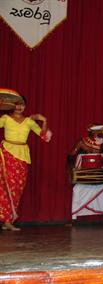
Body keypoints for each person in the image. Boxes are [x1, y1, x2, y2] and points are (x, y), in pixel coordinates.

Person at [0, 94, 51, 231]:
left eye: (22, 104)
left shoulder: (28, 121)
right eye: (16, 104)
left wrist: (44, 121)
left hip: (22, 156)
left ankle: (9, 218)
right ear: (11, 105)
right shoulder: (5, 118)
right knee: (6, 187)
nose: (19, 107)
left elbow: (44, 136)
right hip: (7, 154)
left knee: (17, 189)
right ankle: (6, 220)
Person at [67, 124, 103, 224]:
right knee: (77, 190)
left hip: (98, 174)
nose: (98, 134)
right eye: (96, 132)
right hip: (84, 174)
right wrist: (70, 172)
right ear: (91, 132)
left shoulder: (102, 143)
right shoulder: (82, 142)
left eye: (99, 132)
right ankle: (74, 218)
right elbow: (71, 156)